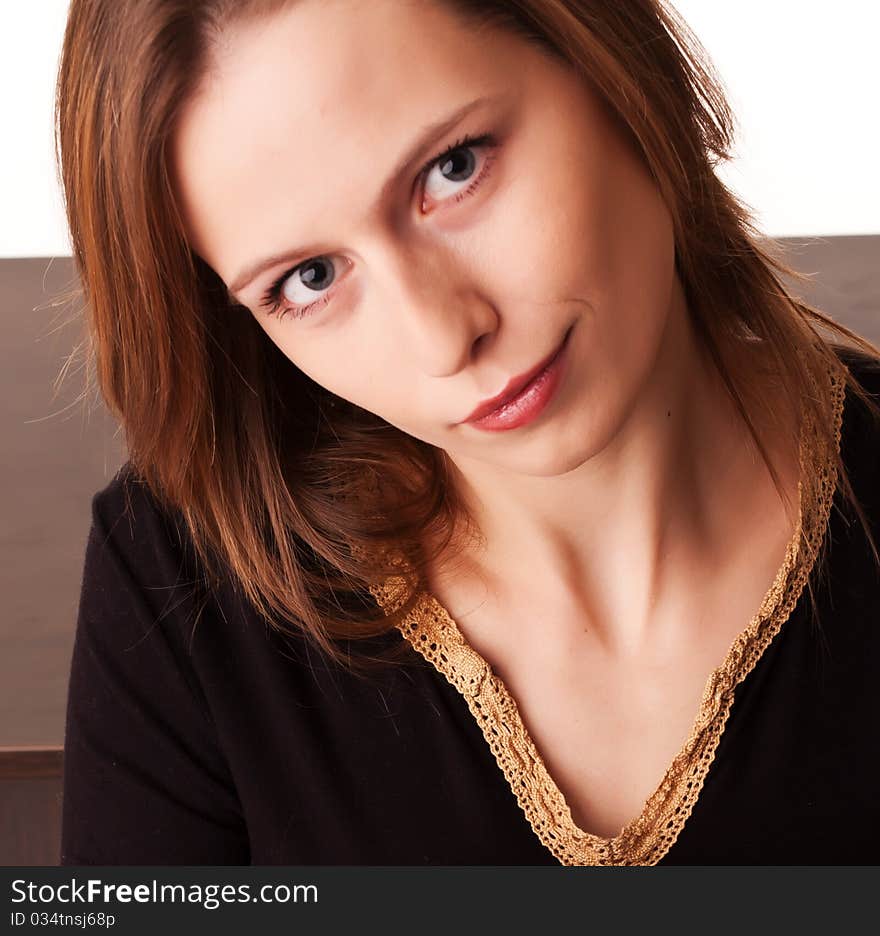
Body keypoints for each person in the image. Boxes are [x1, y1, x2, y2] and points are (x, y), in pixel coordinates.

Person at [55, 0, 880, 866]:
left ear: (609, 60)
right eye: (309, 279)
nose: (444, 338)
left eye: (453, 170)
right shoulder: (182, 585)